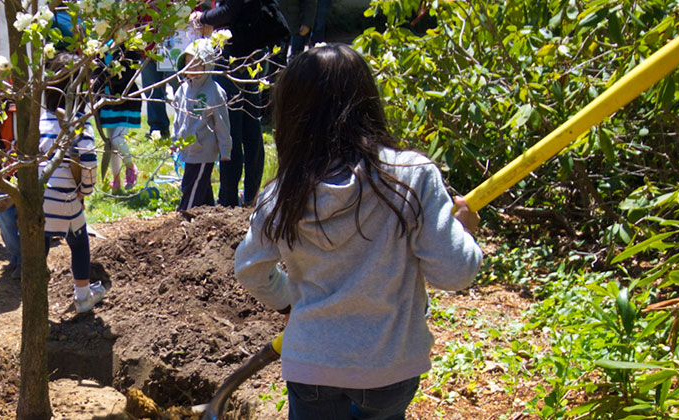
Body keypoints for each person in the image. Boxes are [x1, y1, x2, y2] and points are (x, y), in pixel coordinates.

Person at [232, 45, 482, 420]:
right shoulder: (411, 176)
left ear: (291, 116)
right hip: (389, 367)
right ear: (367, 101)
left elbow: (250, 268)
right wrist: (463, 230)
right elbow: (455, 272)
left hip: (311, 365)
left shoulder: (282, 192)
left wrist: (289, 300)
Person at [199, 0, 287, 206]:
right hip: (254, 48)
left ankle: (229, 200)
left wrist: (201, 17)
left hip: (237, 52)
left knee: (232, 129)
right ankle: (252, 197)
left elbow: (230, 10)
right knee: (250, 126)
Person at [37, 52, 106, 312]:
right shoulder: (78, 125)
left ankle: (35, 296)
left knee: (40, 245)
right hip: (66, 198)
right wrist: (83, 192)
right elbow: (87, 164)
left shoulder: (40, 120)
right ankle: (83, 295)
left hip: (40, 197)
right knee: (79, 244)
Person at [170, 46, 230, 211]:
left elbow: (222, 123)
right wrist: (174, 141)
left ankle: (184, 215)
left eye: (197, 64)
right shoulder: (182, 89)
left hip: (204, 149)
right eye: (188, 63)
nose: (192, 68)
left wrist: (225, 150)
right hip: (187, 149)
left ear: (208, 66)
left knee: (191, 187)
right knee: (201, 187)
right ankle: (210, 215)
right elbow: (177, 119)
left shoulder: (214, 92)